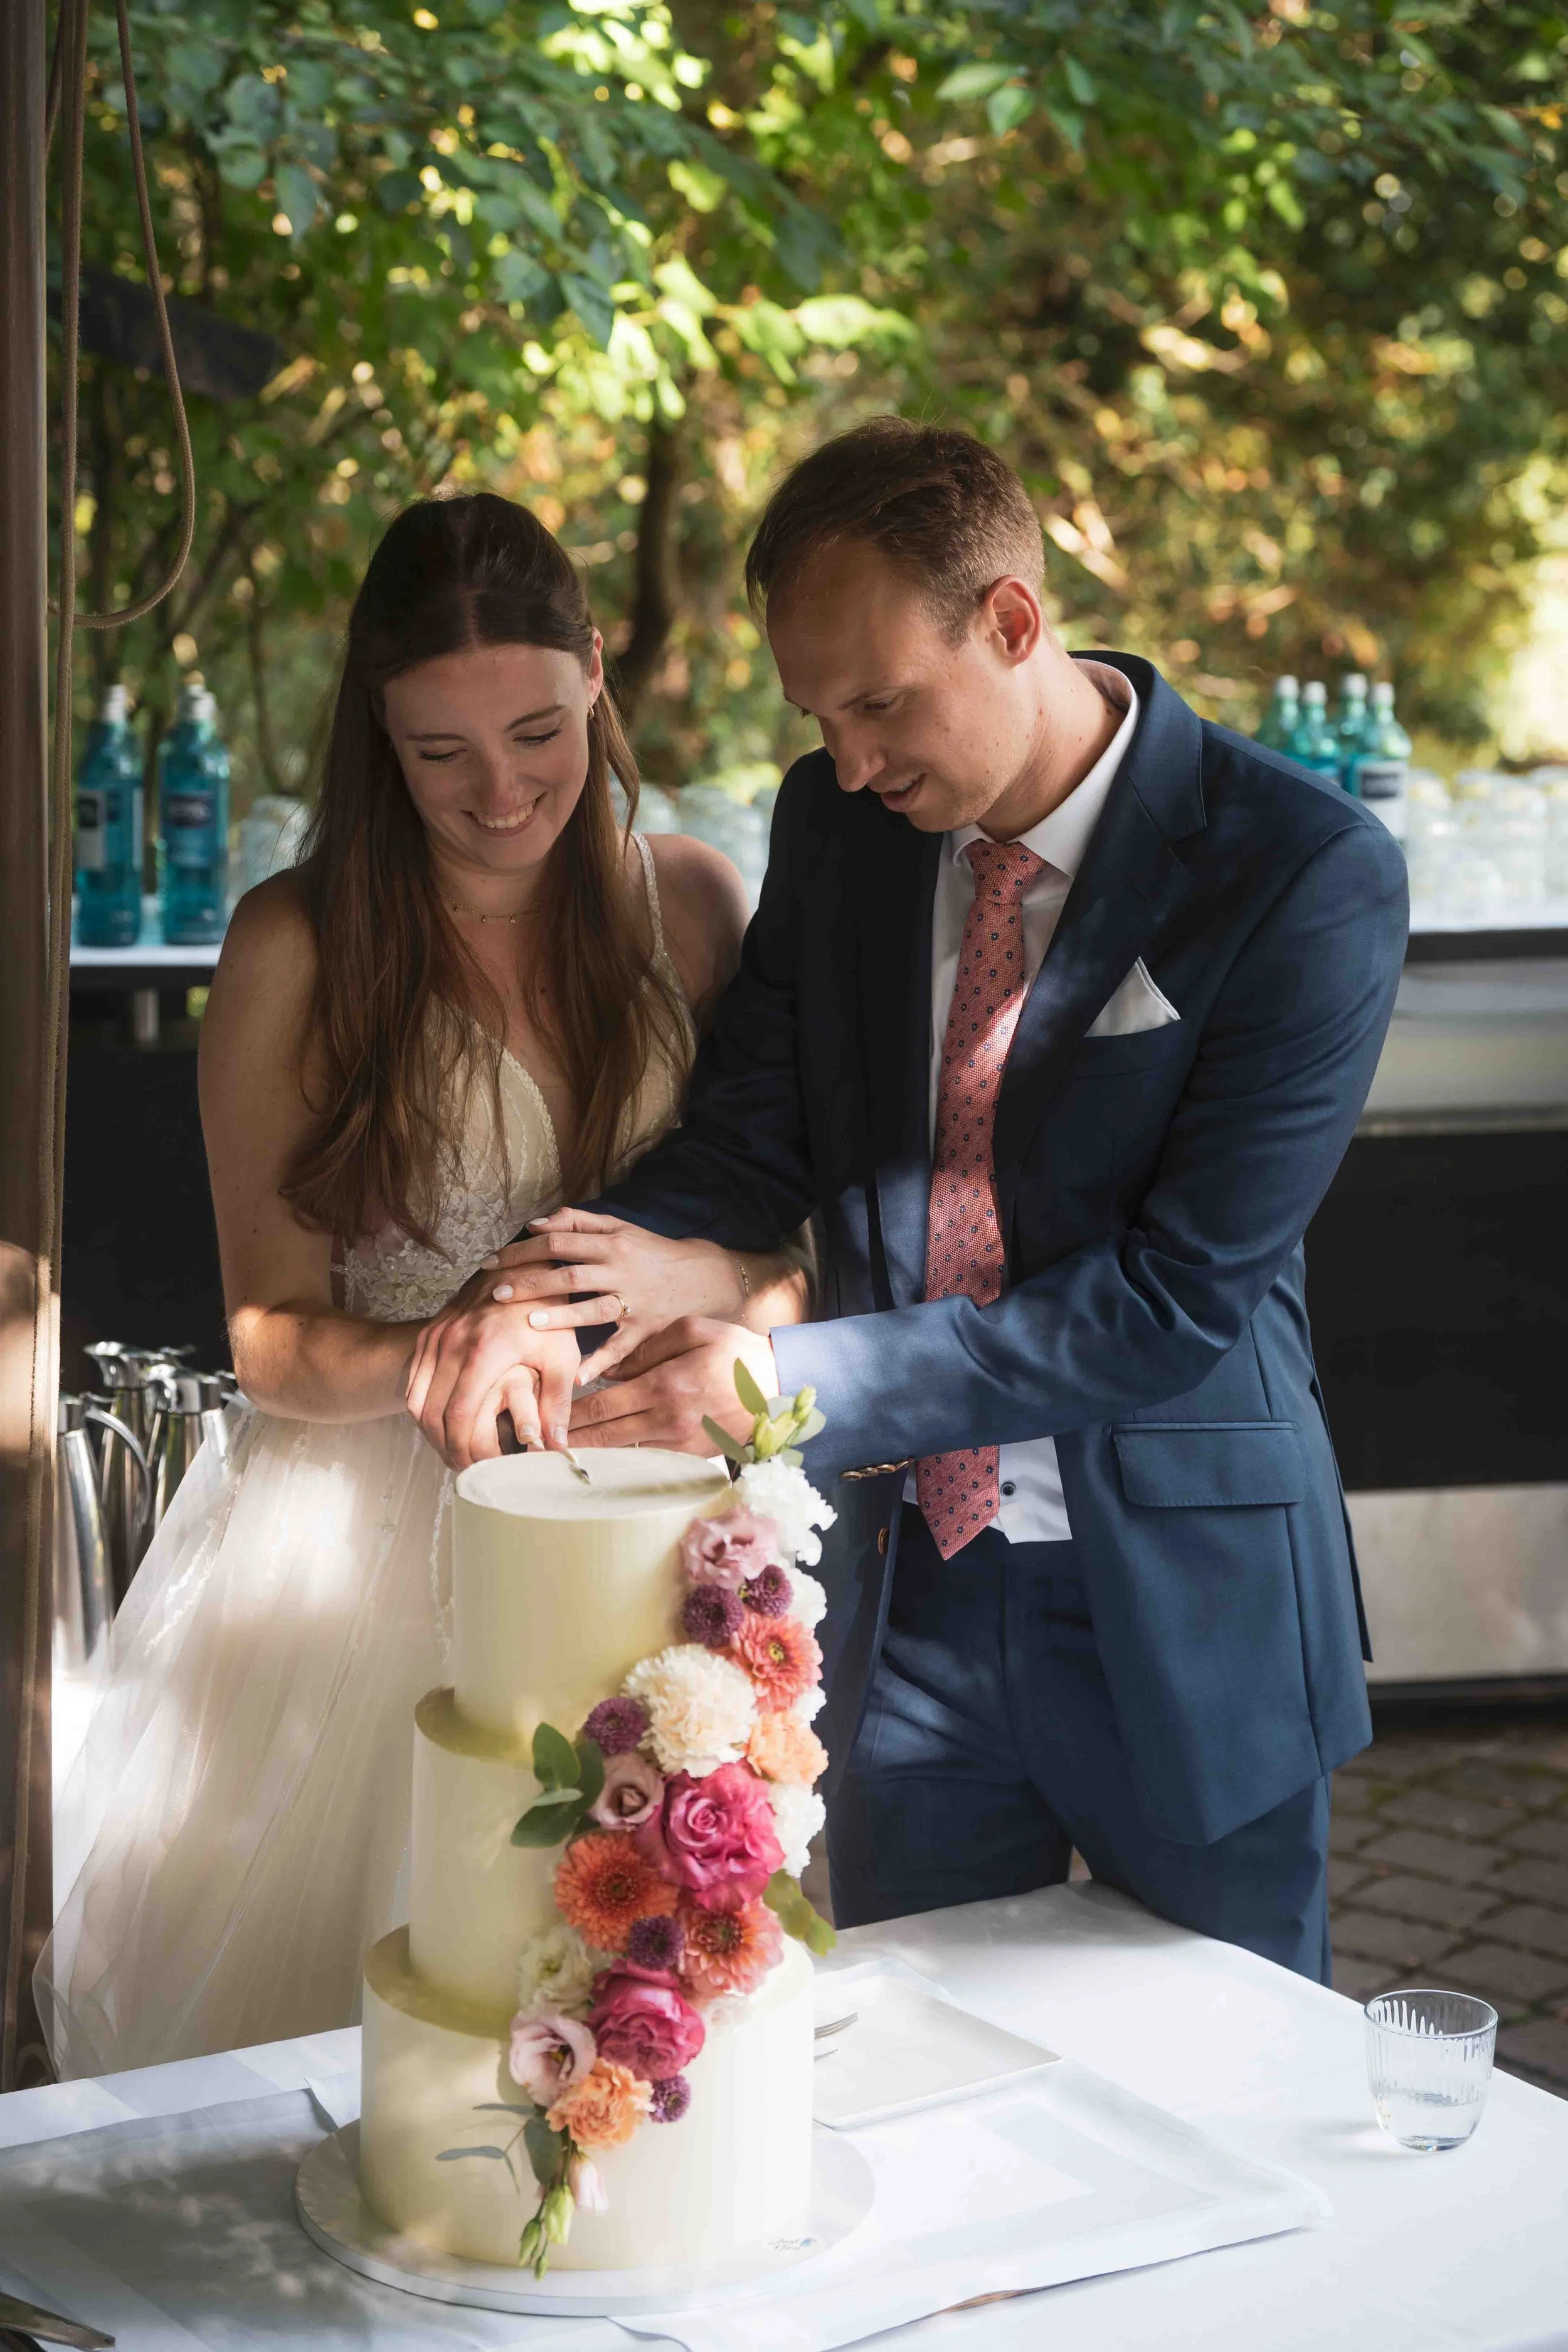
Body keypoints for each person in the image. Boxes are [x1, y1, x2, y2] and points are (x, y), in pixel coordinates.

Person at [412, 421, 1409, 1981]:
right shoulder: (837, 824)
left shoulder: (1298, 869)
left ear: (1011, 621)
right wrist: (546, 1298)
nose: (854, 759)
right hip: (905, 1607)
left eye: (880, 703)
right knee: (926, 2088)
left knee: (1236, 2093)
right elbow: (751, 1137)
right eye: (821, 714)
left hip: (1180, 1605)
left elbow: (1176, 1296)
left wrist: (783, 1382)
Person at [36, 492, 807, 2076]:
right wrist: (429, 1356)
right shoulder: (296, 943)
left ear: (599, 671)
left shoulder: (695, 905)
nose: (500, 791)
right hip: (369, 1556)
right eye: (439, 752)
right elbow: (266, 1334)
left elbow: (798, 1251)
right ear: (372, 734)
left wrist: (729, 1303)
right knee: (390, 2036)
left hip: (653, 1519)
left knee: (657, 2024)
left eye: (534, 730)